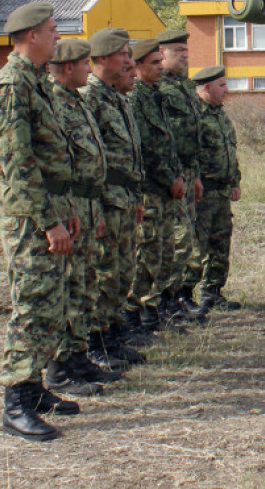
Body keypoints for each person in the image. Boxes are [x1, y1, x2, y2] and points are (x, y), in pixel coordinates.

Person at [0, 2, 79, 441]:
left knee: (51, 303)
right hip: (28, 217)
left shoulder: (34, 82)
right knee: (31, 307)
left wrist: (65, 212)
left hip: (48, 210)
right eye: (54, 30)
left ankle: (35, 388)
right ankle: (15, 404)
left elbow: (53, 158)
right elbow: (18, 164)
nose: (59, 36)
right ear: (32, 36)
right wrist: (48, 223)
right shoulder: (11, 87)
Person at [44, 39, 116, 395]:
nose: (90, 68)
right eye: (85, 63)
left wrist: (97, 207)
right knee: (68, 287)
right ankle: (59, 367)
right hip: (67, 207)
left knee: (85, 285)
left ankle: (78, 356)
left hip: (86, 205)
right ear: (68, 67)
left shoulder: (77, 100)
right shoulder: (55, 102)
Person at [80, 27, 147, 363]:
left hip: (124, 197)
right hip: (106, 199)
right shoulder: (89, 97)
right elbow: (90, 159)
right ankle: (97, 343)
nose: (128, 62)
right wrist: (98, 207)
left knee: (122, 270)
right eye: (123, 55)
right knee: (106, 271)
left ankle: (112, 334)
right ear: (103, 57)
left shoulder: (115, 97)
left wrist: (135, 198)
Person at [127, 39, 185, 330]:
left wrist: (178, 176)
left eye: (161, 61)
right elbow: (146, 148)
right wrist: (168, 177)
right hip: (150, 188)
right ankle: (140, 311)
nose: (161, 67)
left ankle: (157, 307)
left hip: (165, 188)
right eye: (154, 62)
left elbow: (167, 143)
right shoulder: (135, 99)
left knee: (164, 249)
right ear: (136, 66)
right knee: (147, 251)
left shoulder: (155, 95)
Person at [156, 29, 205, 321]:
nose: (185, 55)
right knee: (176, 240)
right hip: (167, 175)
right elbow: (163, 138)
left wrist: (195, 174)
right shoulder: (158, 88)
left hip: (186, 172)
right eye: (177, 50)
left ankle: (179, 296)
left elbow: (191, 135)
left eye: (185, 50)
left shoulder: (185, 86)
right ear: (162, 53)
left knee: (187, 240)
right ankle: (165, 301)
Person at [192, 66, 242, 311]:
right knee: (196, 247)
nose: (226, 90)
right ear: (205, 88)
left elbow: (230, 150)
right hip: (203, 193)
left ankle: (213, 293)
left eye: (226, 84)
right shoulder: (195, 115)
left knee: (221, 245)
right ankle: (185, 297)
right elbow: (189, 153)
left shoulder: (220, 115)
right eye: (221, 85)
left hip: (222, 191)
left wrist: (235, 181)